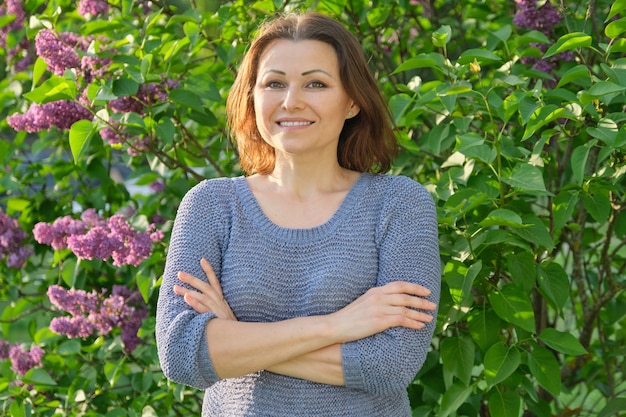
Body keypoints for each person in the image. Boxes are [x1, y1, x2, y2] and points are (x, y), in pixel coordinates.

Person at [156, 11, 440, 417]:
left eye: (316, 83)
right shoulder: (211, 206)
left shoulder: (398, 205)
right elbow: (181, 354)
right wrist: (340, 325)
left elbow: (391, 365)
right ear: (251, 98)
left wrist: (235, 338)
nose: (291, 101)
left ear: (353, 101)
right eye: (274, 83)